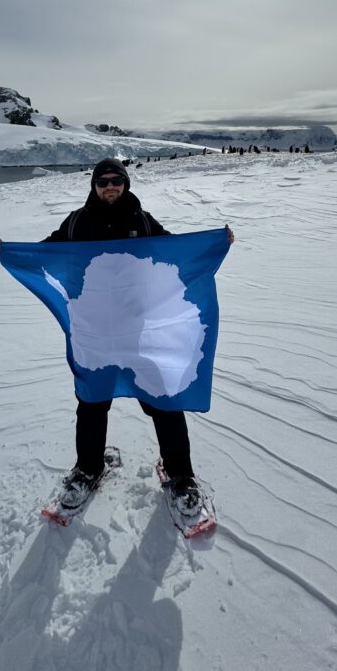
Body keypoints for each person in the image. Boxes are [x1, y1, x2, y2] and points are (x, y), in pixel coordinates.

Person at [38, 157, 234, 515]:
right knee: (92, 402)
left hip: (138, 331)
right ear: (94, 186)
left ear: (125, 183)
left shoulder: (142, 221)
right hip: (93, 332)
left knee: (163, 399)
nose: (109, 187)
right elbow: (48, 252)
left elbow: (175, 251)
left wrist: (213, 245)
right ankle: (88, 469)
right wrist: (17, 255)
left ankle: (180, 474)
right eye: (102, 182)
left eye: (116, 180)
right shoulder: (77, 222)